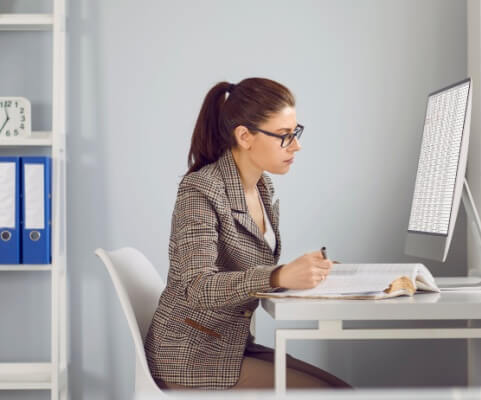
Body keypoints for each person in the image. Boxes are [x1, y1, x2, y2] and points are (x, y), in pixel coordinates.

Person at [144, 78, 350, 390]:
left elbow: (254, 272)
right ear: (244, 136)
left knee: (344, 392)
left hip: (231, 345)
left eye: (295, 132)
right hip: (191, 356)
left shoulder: (263, 187)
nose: (296, 145)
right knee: (335, 396)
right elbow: (196, 288)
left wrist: (310, 274)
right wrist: (279, 276)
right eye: (284, 136)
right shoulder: (200, 189)